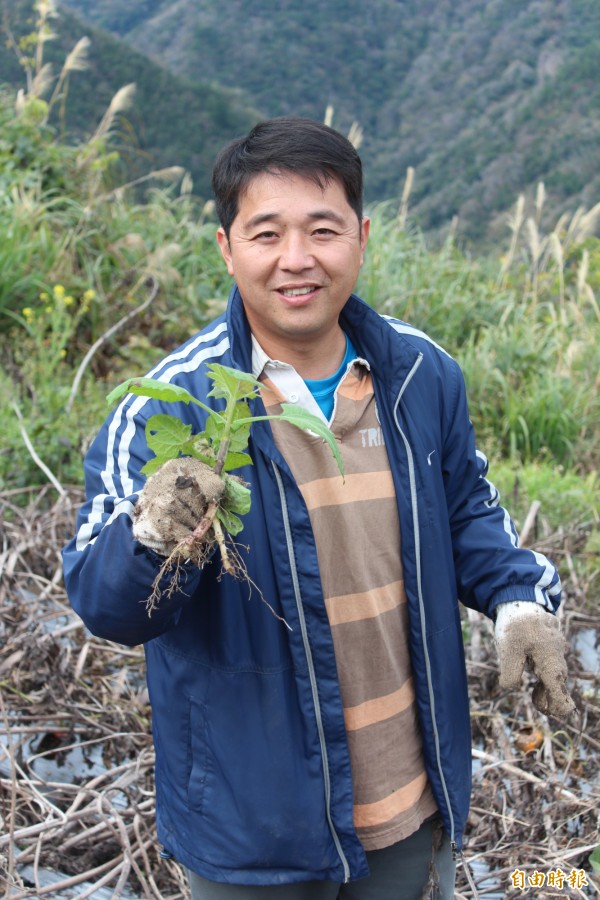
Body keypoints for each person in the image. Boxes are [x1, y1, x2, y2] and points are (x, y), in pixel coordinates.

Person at [62, 117, 576, 899]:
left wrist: (518, 598)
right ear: (225, 249)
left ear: (361, 238)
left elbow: (469, 508)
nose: (297, 260)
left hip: (411, 803)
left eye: (323, 230)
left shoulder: (419, 375)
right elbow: (107, 606)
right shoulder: (178, 403)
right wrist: (152, 537)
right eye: (266, 233)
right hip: (255, 831)